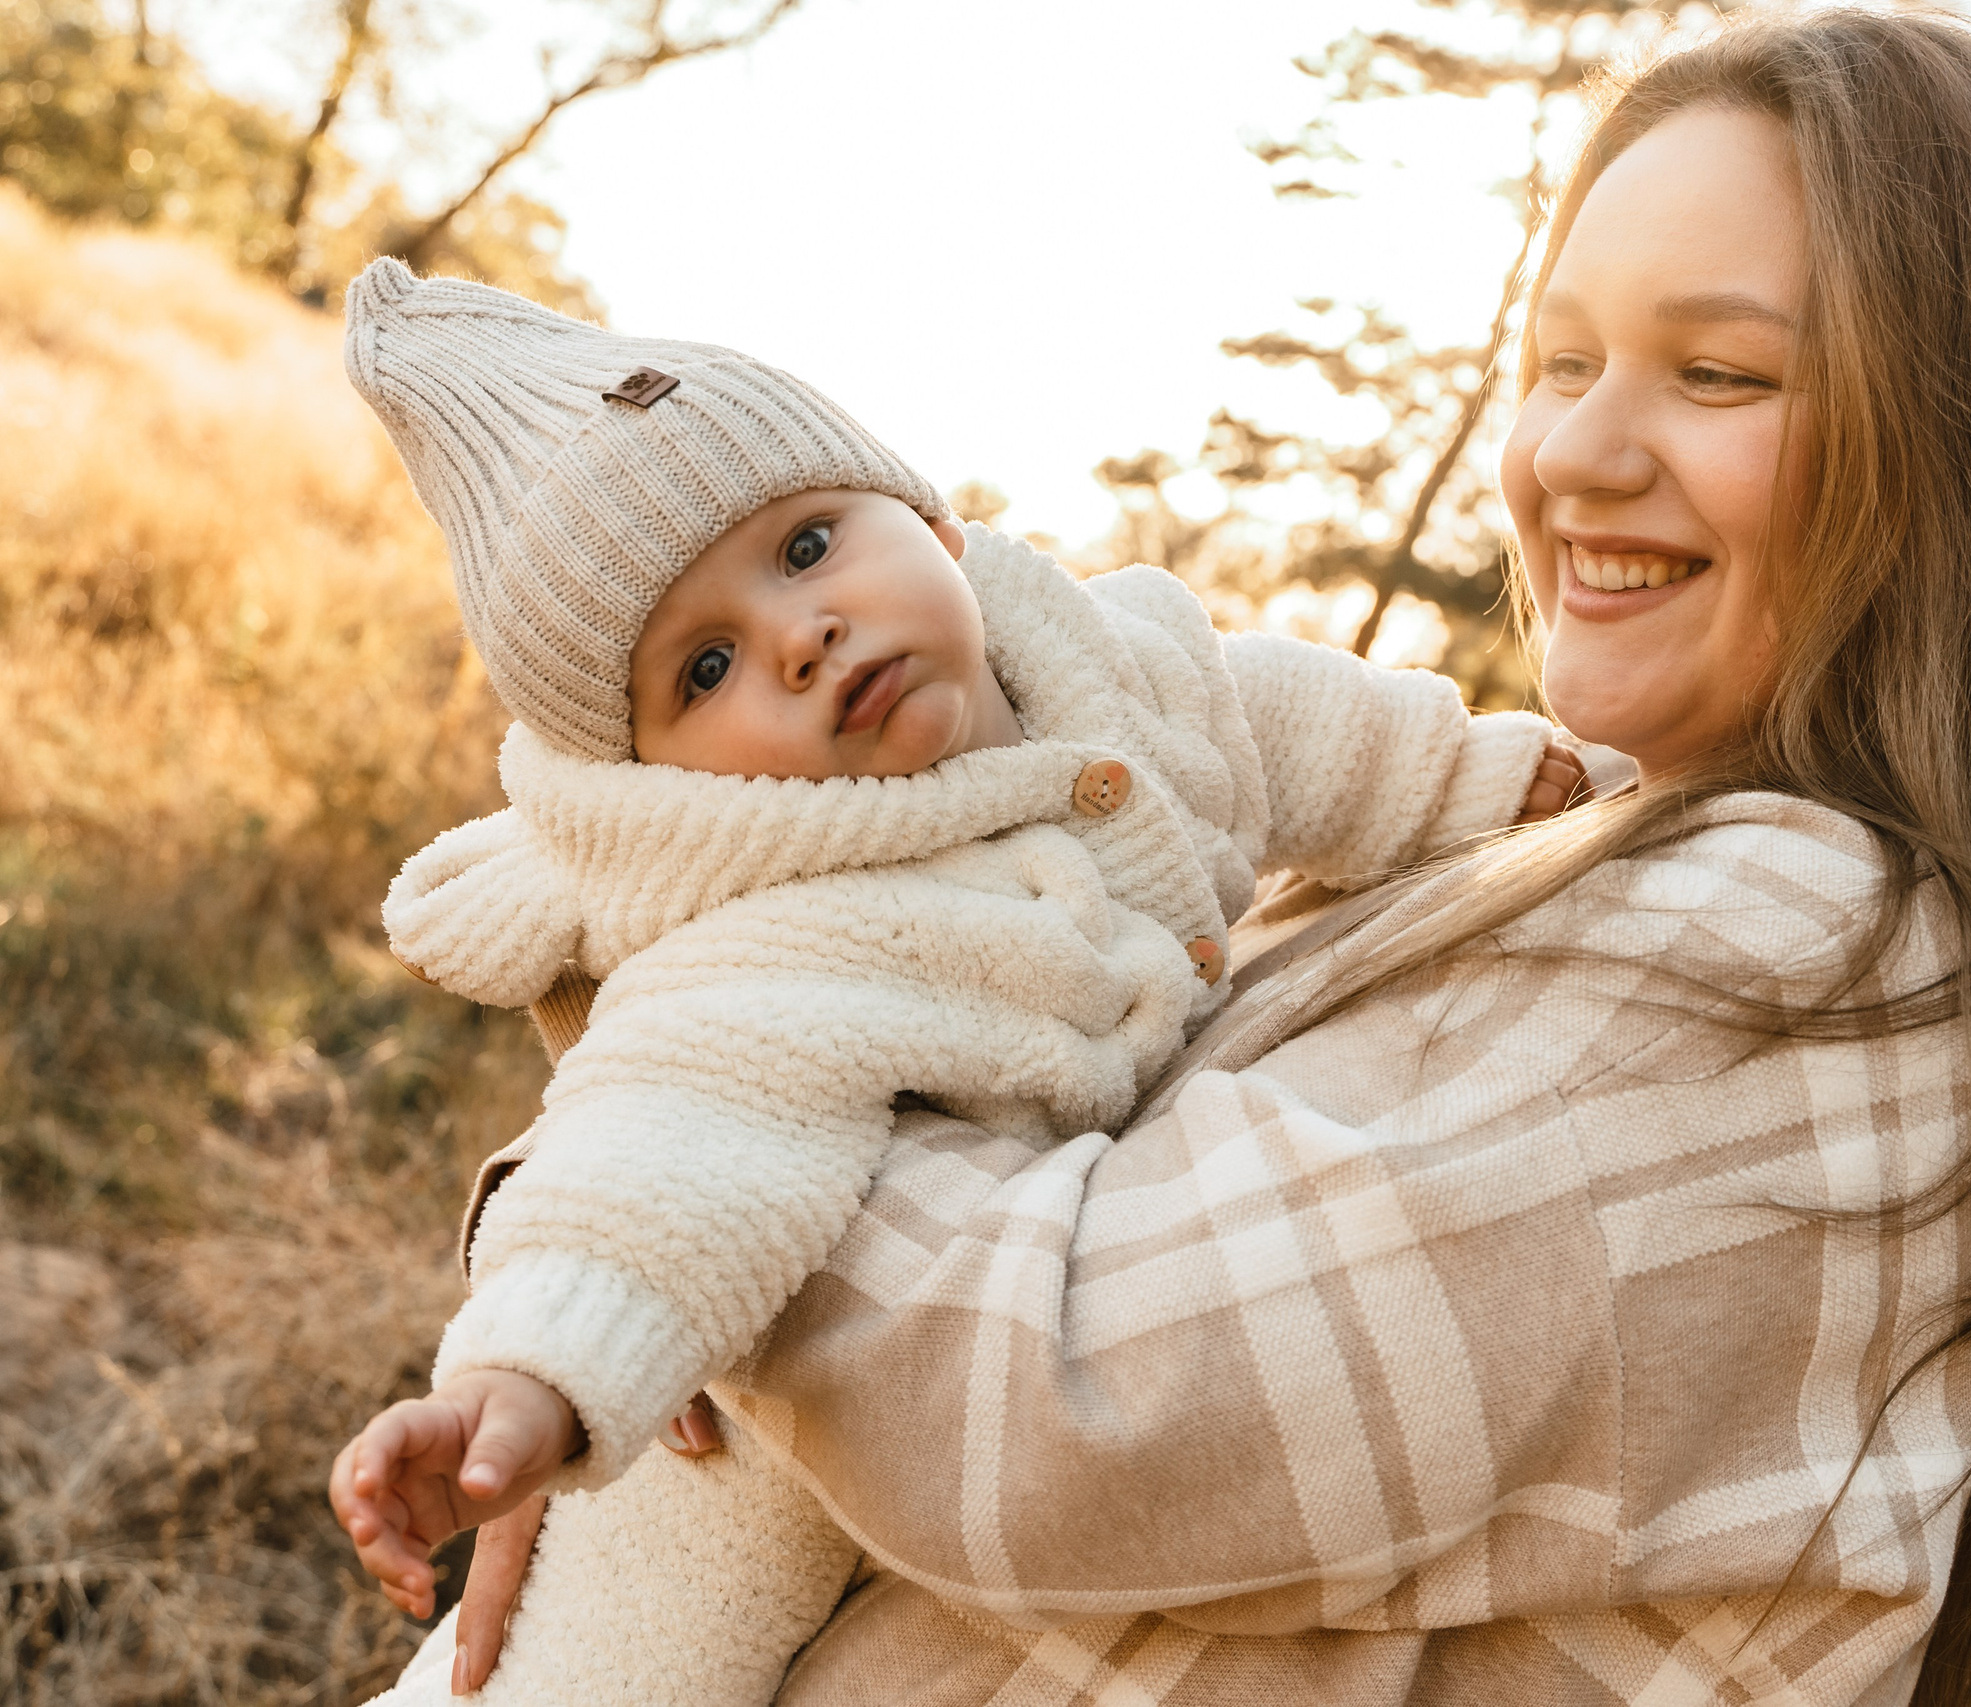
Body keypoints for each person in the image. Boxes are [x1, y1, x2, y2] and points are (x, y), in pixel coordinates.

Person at [445, 8, 1971, 1702]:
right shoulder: (1594, 856)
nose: (1573, 454)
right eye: (1564, 361)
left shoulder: (1814, 945)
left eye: (1720, 373)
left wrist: (643, 1228)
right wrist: (602, 1276)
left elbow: (1049, 1405)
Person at [322, 259, 1583, 1703]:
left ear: (928, 519)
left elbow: (1299, 729)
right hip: (763, 1377)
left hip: (1057, 1330)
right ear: (661, 779)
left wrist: (1479, 773)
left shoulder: (1134, 666)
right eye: (707, 665)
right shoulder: (786, 920)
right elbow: (669, 1130)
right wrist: (525, 1383)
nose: (802, 638)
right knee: (612, 1657)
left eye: (805, 548)